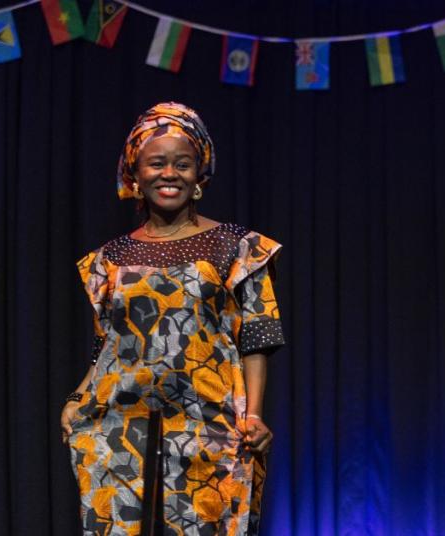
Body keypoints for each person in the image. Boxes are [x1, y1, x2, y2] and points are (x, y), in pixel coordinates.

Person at [59, 102, 284, 535]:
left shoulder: (237, 246)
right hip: (118, 420)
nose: (169, 174)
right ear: (135, 174)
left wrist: (253, 415)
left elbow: (258, 337)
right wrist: (76, 398)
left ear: (199, 175)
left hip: (208, 417)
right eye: (156, 163)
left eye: (183, 164)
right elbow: (106, 343)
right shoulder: (111, 258)